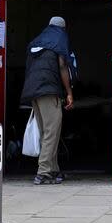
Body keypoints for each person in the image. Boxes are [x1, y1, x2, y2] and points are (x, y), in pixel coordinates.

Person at [20, 16, 74, 185]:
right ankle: (43, 172)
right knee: (52, 131)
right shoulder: (59, 38)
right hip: (49, 91)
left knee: (47, 132)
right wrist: (69, 92)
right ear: (63, 28)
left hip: (33, 91)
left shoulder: (38, 40)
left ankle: (53, 170)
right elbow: (62, 66)